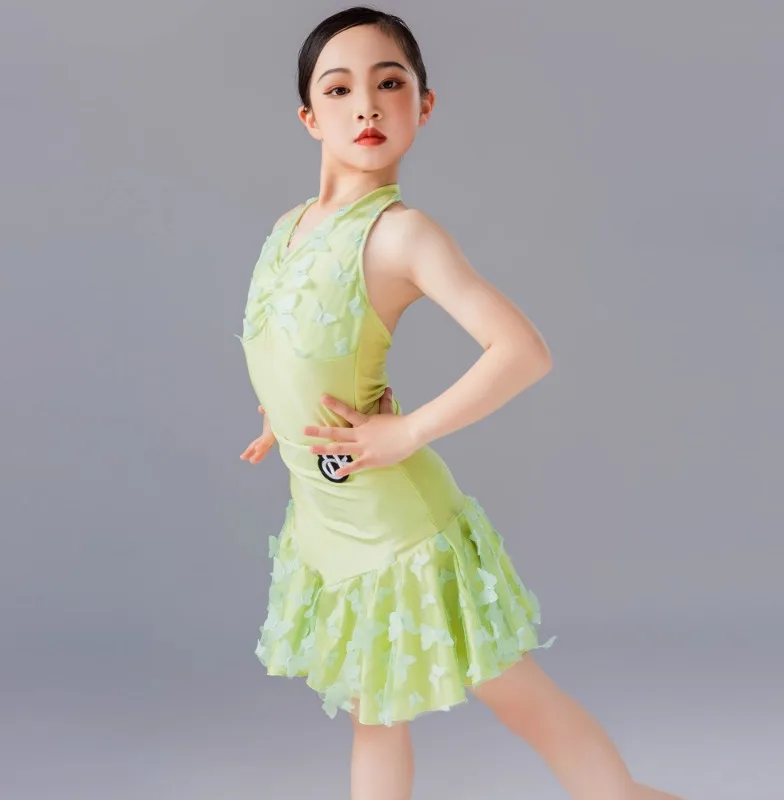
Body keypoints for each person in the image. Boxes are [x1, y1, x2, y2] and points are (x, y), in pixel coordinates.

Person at [237, 7, 686, 800]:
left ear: (424, 104)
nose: (366, 106)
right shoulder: (287, 229)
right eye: (339, 90)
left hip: (399, 526)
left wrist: (406, 431)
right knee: (373, 712)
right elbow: (292, 344)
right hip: (324, 520)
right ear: (309, 116)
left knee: (517, 697)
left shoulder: (402, 236)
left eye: (390, 84)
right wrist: (281, 414)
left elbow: (522, 350)